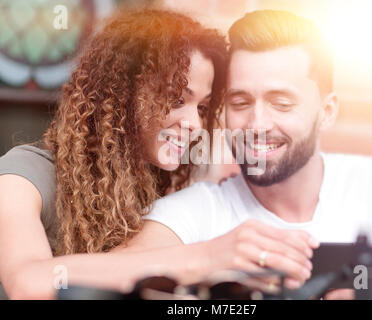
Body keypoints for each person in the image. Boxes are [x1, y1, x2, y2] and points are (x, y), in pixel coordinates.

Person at [128, 10, 372, 297]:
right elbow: (99, 276)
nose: (257, 125)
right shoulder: (196, 214)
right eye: (240, 103)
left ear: (327, 112)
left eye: (281, 103)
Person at [0, 8, 228, 299]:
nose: (194, 124)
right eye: (175, 99)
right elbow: (28, 284)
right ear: (122, 93)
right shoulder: (20, 179)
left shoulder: (161, 187)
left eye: (203, 108)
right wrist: (200, 259)